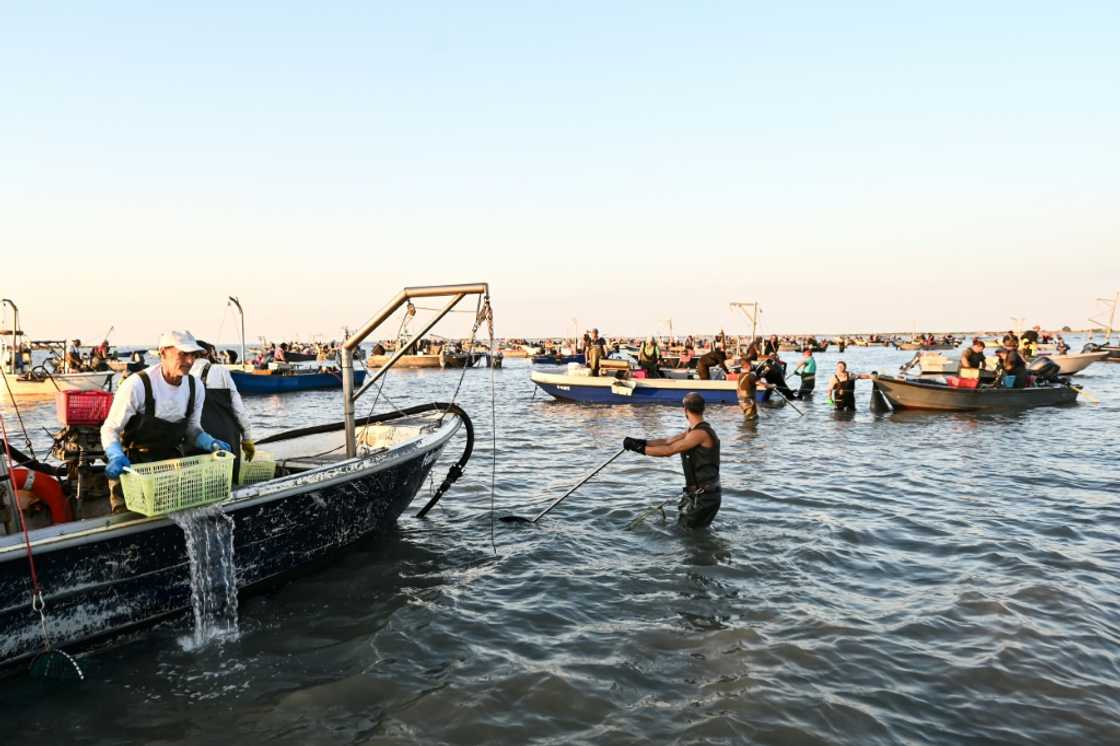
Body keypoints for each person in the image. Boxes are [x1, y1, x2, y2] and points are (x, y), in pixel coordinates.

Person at [101, 331, 231, 514]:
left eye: (193, 355)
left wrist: (210, 442)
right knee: (129, 520)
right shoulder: (137, 385)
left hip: (170, 466)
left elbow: (192, 429)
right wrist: (114, 455)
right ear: (163, 353)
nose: (190, 361)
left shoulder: (195, 387)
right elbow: (110, 429)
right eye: (183, 354)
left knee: (175, 515)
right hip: (132, 469)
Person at [622, 392, 721, 529]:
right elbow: (667, 441)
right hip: (698, 495)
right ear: (703, 408)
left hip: (704, 498)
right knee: (685, 533)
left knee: (686, 535)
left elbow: (669, 451)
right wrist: (641, 442)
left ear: (685, 410)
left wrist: (638, 448)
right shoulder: (692, 431)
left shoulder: (700, 434)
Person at [192, 341, 256, 482]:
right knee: (229, 482)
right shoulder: (220, 371)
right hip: (226, 437)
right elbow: (238, 409)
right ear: (207, 353)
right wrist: (247, 438)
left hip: (195, 440)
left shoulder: (182, 375)